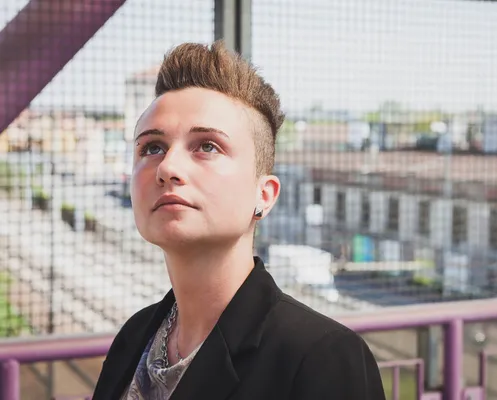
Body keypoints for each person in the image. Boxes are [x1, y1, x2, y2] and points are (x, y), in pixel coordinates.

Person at [92, 41, 385, 400]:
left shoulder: (322, 358)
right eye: (152, 148)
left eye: (207, 146)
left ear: (264, 195)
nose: (168, 168)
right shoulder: (134, 336)